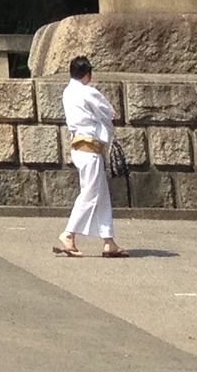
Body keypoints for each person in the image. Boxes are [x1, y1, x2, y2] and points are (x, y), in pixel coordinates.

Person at [52, 55, 126, 258]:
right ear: (88, 74)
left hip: (80, 146)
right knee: (90, 193)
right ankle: (68, 234)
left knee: (101, 195)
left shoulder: (68, 92)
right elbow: (109, 112)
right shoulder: (87, 92)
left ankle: (108, 240)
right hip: (89, 148)